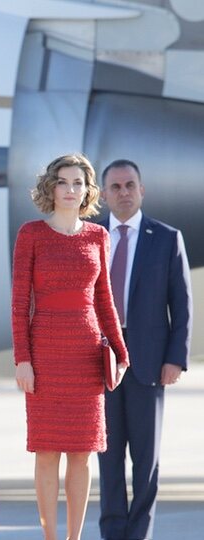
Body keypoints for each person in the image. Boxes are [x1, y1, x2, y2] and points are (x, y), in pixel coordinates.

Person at [11, 153, 129, 540]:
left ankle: (74, 538)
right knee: (46, 452)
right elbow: (18, 302)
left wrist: (120, 350)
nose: (71, 190)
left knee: (82, 453)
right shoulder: (31, 233)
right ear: (51, 187)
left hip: (86, 352)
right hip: (45, 350)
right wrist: (22, 359)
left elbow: (105, 300)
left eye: (78, 183)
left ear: (88, 190)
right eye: (64, 182)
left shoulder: (98, 236)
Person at [97, 160, 192, 540]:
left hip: (149, 363)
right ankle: (112, 531)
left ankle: (139, 534)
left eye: (129, 185)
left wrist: (175, 358)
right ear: (103, 194)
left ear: (142, 190)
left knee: (145, 460)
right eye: (115, 187)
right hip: (100, 362)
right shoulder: (90, 237)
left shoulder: (166, 238)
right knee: (107, 457)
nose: (123, 193)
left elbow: (182, 304)